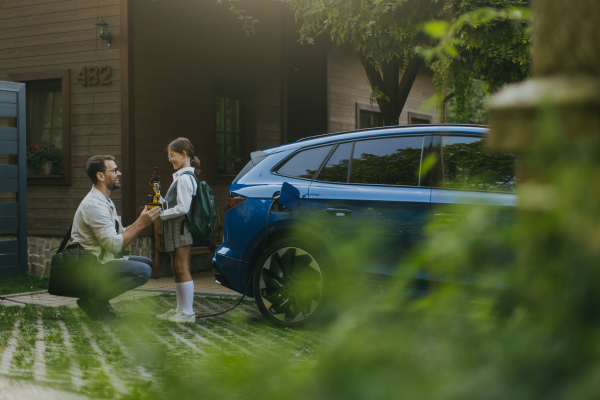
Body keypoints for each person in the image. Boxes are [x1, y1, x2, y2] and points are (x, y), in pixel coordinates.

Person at [72, 155, 160, 319]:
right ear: (101, 176)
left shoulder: (106, 201)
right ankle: (92, 300)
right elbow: (113, 245)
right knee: (143, 271)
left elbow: (120, 236)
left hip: (103, 260)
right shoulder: (94, 205)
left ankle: (98, 299)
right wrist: (140, 223)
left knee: (147, 263)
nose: (119, 173)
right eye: (114, 170)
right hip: (91, 266)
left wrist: (142, 222)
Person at [155, 137, 200, 323]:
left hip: (180, 227)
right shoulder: (181, 177)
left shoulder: (185, 179)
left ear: (183, 154)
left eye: (172, 155)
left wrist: (161, 213)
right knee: (176, 267)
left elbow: (183, 207)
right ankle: (180, 310)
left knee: (182, 268)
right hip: (176, 226)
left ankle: (188, 312)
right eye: (168, 155)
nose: (170, 159)